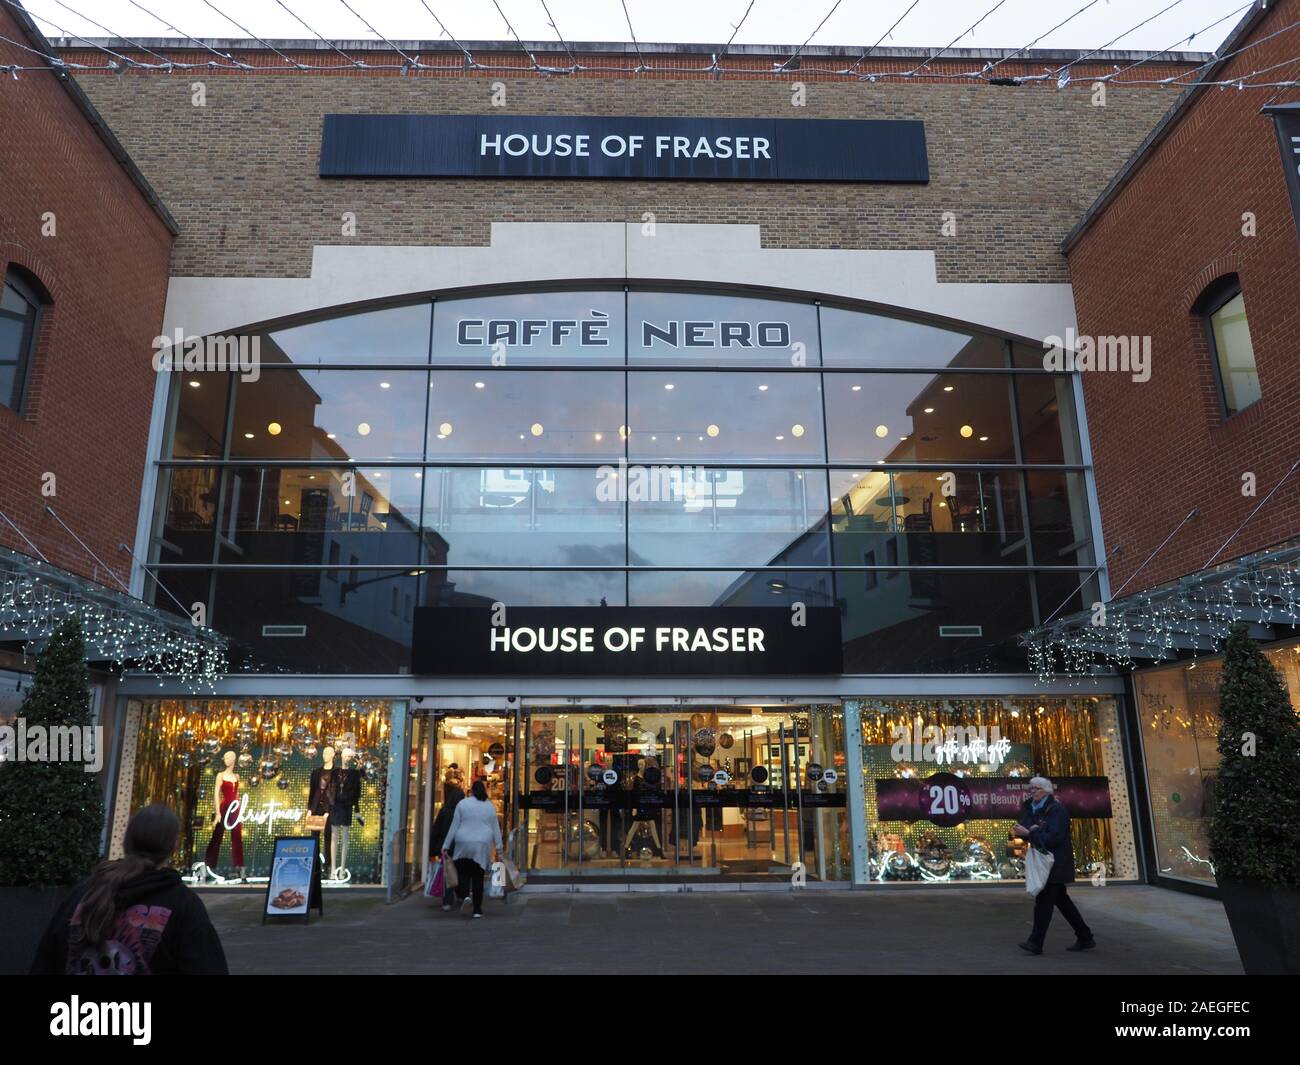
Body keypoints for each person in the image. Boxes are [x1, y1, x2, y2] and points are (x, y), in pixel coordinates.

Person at [30, 804, 229, 975]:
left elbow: (45, 963)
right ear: (172, 848)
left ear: (126, 841)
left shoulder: (83, 895)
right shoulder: (183, 905)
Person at [1013, 776, 1095, 955]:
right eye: (1031, 788)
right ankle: (1085, 936)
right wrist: (1030, 831)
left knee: (1043, 902)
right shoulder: (1030, 807)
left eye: (1036, 789)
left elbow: (1054, 838)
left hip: (1055, 863)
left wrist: (1031, 832)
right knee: (1062, 901)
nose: (1032, 791)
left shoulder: (1057, 811)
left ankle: (1035, 942)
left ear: (1046, 791)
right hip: (1043, 861)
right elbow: (1025, 826)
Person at [439, 778, 503, 918]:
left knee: (463, 872)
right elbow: (495, 829)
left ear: (472, 791)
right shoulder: (489, 807)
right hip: (482, 844)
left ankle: (465, 896)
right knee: (478, 876)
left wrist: (445, 845)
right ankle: (477, 910)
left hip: (463, 842)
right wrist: (499, 848)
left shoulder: (462, 804)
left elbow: (454, 826)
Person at [429, 767, 465, 911]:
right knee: (460, 871)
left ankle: (447, 901)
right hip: (461, 845)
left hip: (447, 846)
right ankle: (461, 896)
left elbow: (436, 830)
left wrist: (434, 849)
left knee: (448, 872)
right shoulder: (463, 812)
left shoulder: (445, 811)